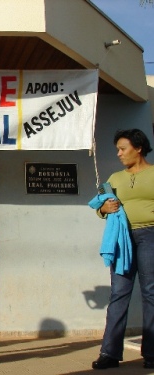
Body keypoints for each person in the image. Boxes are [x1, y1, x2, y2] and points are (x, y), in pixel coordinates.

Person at [91, 129, 154, 370]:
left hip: (150, 235)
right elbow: (99, 207)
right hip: (122, 239)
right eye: (117, 149)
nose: (118, 153)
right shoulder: (114, 178)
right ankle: (109, 353)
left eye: (123, 148)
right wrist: (104, 209)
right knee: (118, 293)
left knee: (150, 293)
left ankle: (151, 353)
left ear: (138, 148)